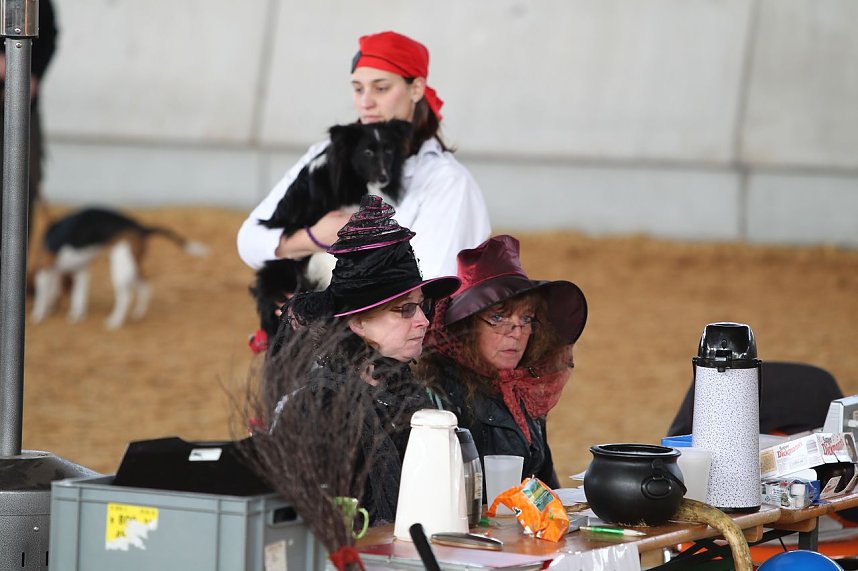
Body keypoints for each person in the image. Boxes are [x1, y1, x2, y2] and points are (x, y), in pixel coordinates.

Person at [261, 195, 460, 524]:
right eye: (404, 310)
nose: (424, 321)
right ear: (357, 321)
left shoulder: (406, 391)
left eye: (422, 306)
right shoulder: (321, 405)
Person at [237, 30, 490, 281]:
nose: (366, 102)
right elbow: (250, 242)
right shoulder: (324, 155)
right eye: (358, 89)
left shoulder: (447, 180)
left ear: (416, 89)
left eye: (381, 88)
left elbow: (435, 285)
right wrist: (315, 237)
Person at [416, 235, 588, 491]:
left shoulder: (523, 388)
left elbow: (545, 488)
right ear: (467, 325)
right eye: (498, 317)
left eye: (526, 318)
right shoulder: (436, 391)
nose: (516, 332)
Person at [0, 0, 58, 246]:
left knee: (25, 183)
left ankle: (19, 266)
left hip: (25, 107)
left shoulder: (39, 4)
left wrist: (33, 75)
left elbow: (49, 35)